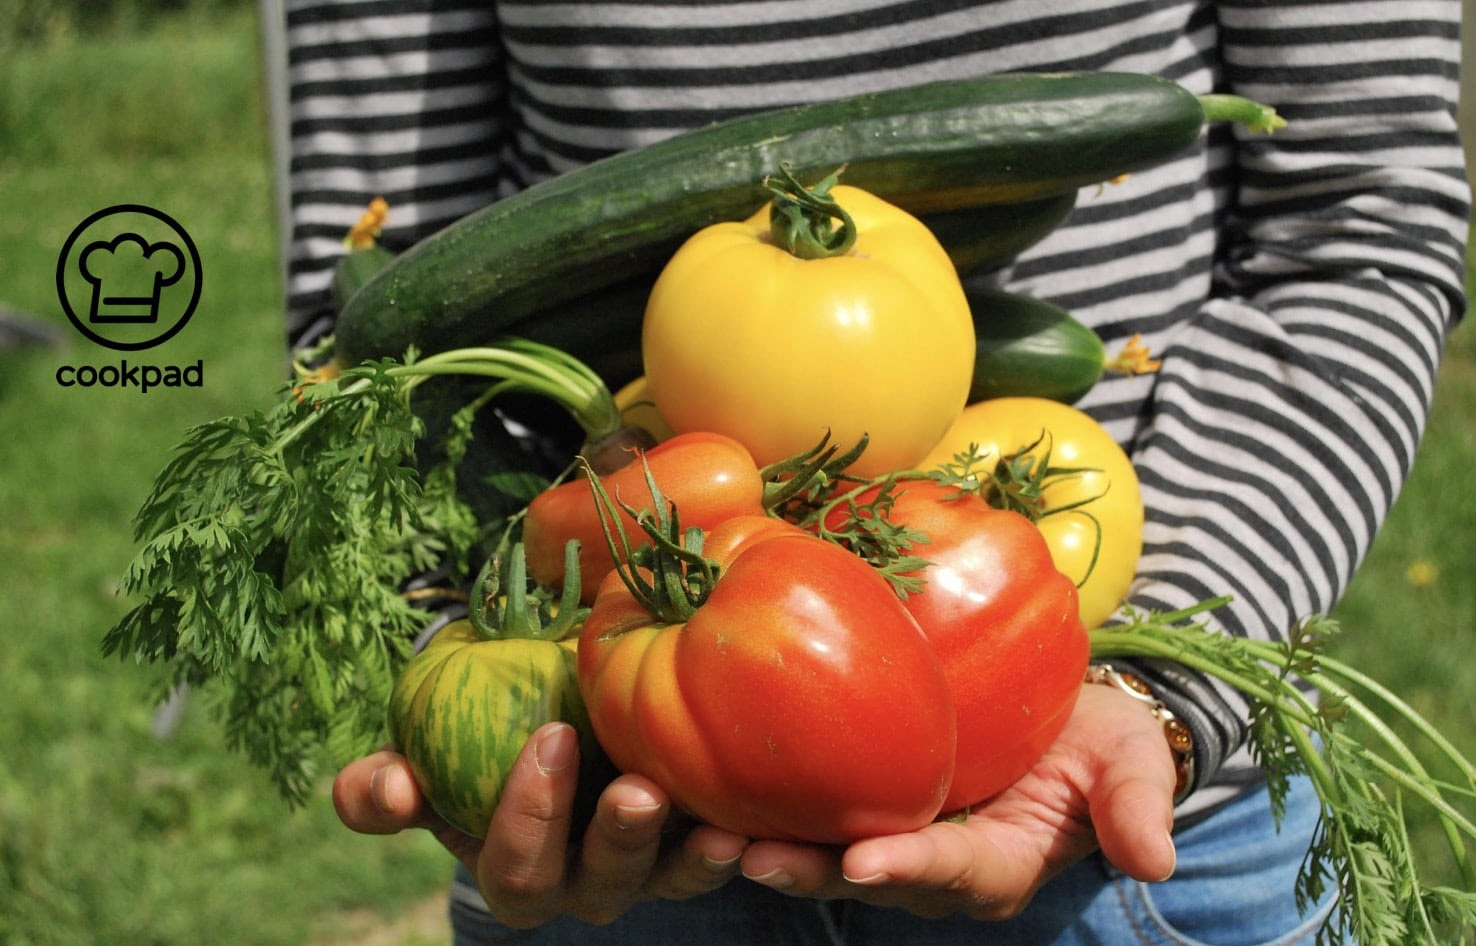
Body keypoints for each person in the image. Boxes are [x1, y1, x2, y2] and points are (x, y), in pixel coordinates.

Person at [281, 2, 1469, 943]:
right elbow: (371, 323)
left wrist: (1158, 687)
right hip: (601, 780)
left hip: (1137, 835)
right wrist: (465, 657)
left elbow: (1360, 229)